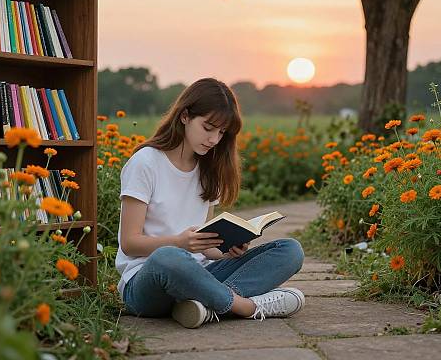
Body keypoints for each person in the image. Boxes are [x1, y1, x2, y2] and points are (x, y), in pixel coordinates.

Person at [116, 77, 305, 328]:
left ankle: (203, 307)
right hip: (148, 282)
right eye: (208, 128)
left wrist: (227, 250)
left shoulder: (209, 169)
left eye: (221, 132)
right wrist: (179, 243)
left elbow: (206, 248)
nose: (214, 140)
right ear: (185, 116)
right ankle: (247, 307)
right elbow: (129, 243)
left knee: (290, 250)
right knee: (168, 257)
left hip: (200, 274)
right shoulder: (146, 163)